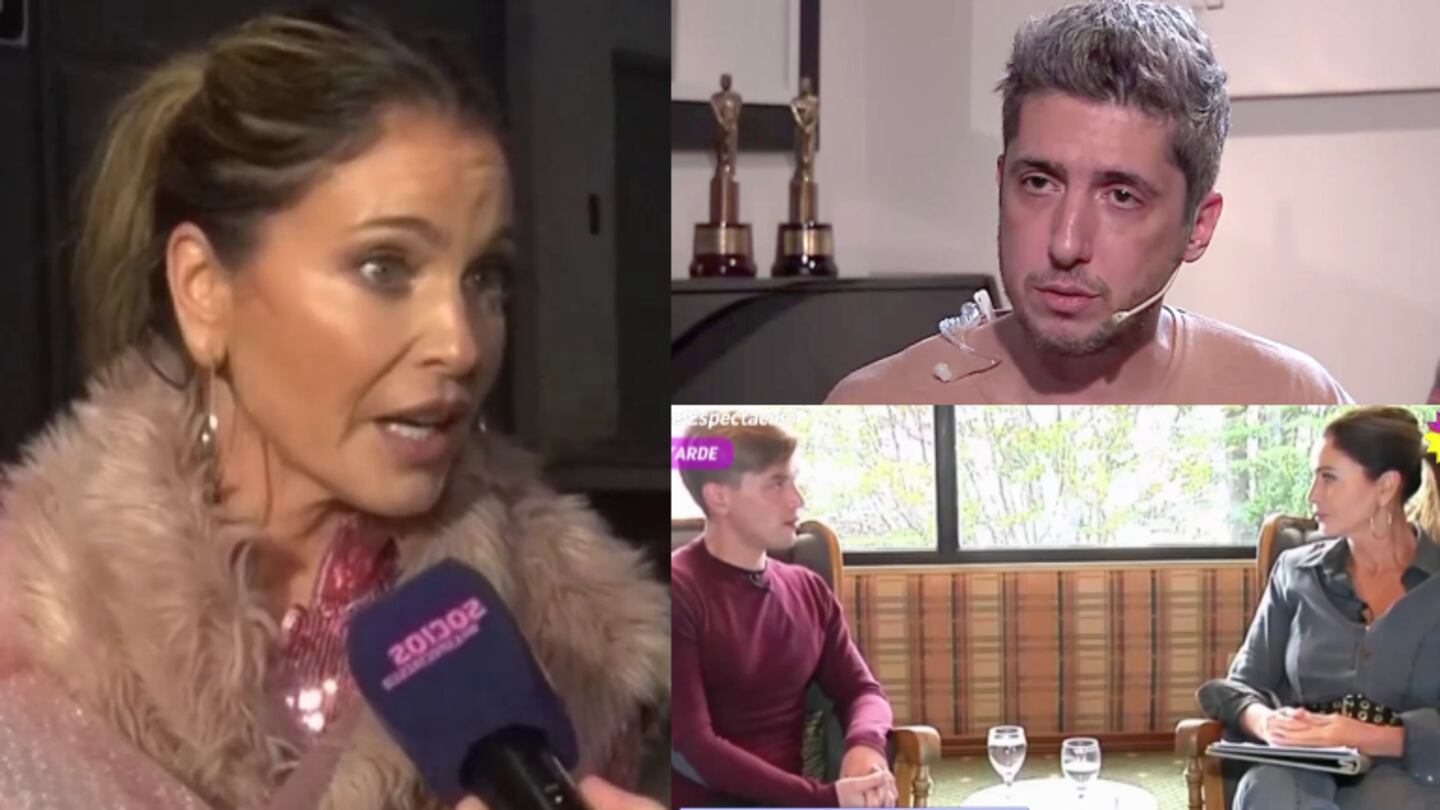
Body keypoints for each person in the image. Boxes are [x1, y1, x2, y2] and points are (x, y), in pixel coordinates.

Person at [0, 9, 668, 810]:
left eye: (484, 276)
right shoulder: (32, 621)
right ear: (204, 291)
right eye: (385, 267)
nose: (461, 344)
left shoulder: (572, 654)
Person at [825, 0, 1351, 405]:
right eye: (1039, 183)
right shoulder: (874, 403)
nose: (1066, 243)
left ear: (1198, 226)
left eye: (1121, 196)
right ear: (1001, 182)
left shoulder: (1295, 396)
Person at [1197, 407, 1440, 809]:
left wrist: (1367, 735)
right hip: (1297, 770)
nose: (1312, 495)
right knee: (1268, 790)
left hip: (1410, 775)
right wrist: (1267, 723)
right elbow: (1241, 686)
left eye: (1328, 478)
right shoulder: (1294, 573)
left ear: (1385, 487)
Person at [672, 415, 898, 808]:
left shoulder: (808, 589)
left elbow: (862, 691)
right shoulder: (676, 590)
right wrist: (824, 799)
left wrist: (865, 746)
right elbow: (694, 746)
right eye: (776, 483)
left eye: (794, 481)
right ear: (719, 497)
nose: (797, 499)